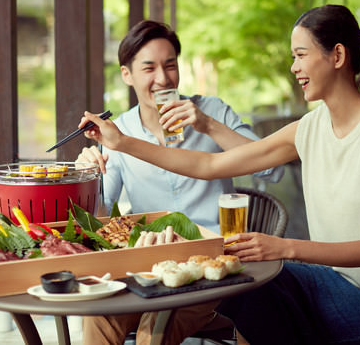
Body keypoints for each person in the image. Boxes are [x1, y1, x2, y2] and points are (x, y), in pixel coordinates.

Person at [80, 5, 360, 344]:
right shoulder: (309, 128)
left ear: (337, 56)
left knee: (254, 286)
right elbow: (209, 166)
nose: (293, 67)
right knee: (245, 284)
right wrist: (123, 143)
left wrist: (284, 248)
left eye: (300, 54)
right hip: (332, 282)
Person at [79, 19, 283, 345]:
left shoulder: (210, 110)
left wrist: (208, 126)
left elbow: (272, 170)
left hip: (212, 262)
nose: (162, 79)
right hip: (148, 264)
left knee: (154, 329)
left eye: (170, 65)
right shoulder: (119, 132)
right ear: (127, 75)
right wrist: (87, 174)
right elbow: (101, 215)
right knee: (99, 316)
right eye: (149, 68)